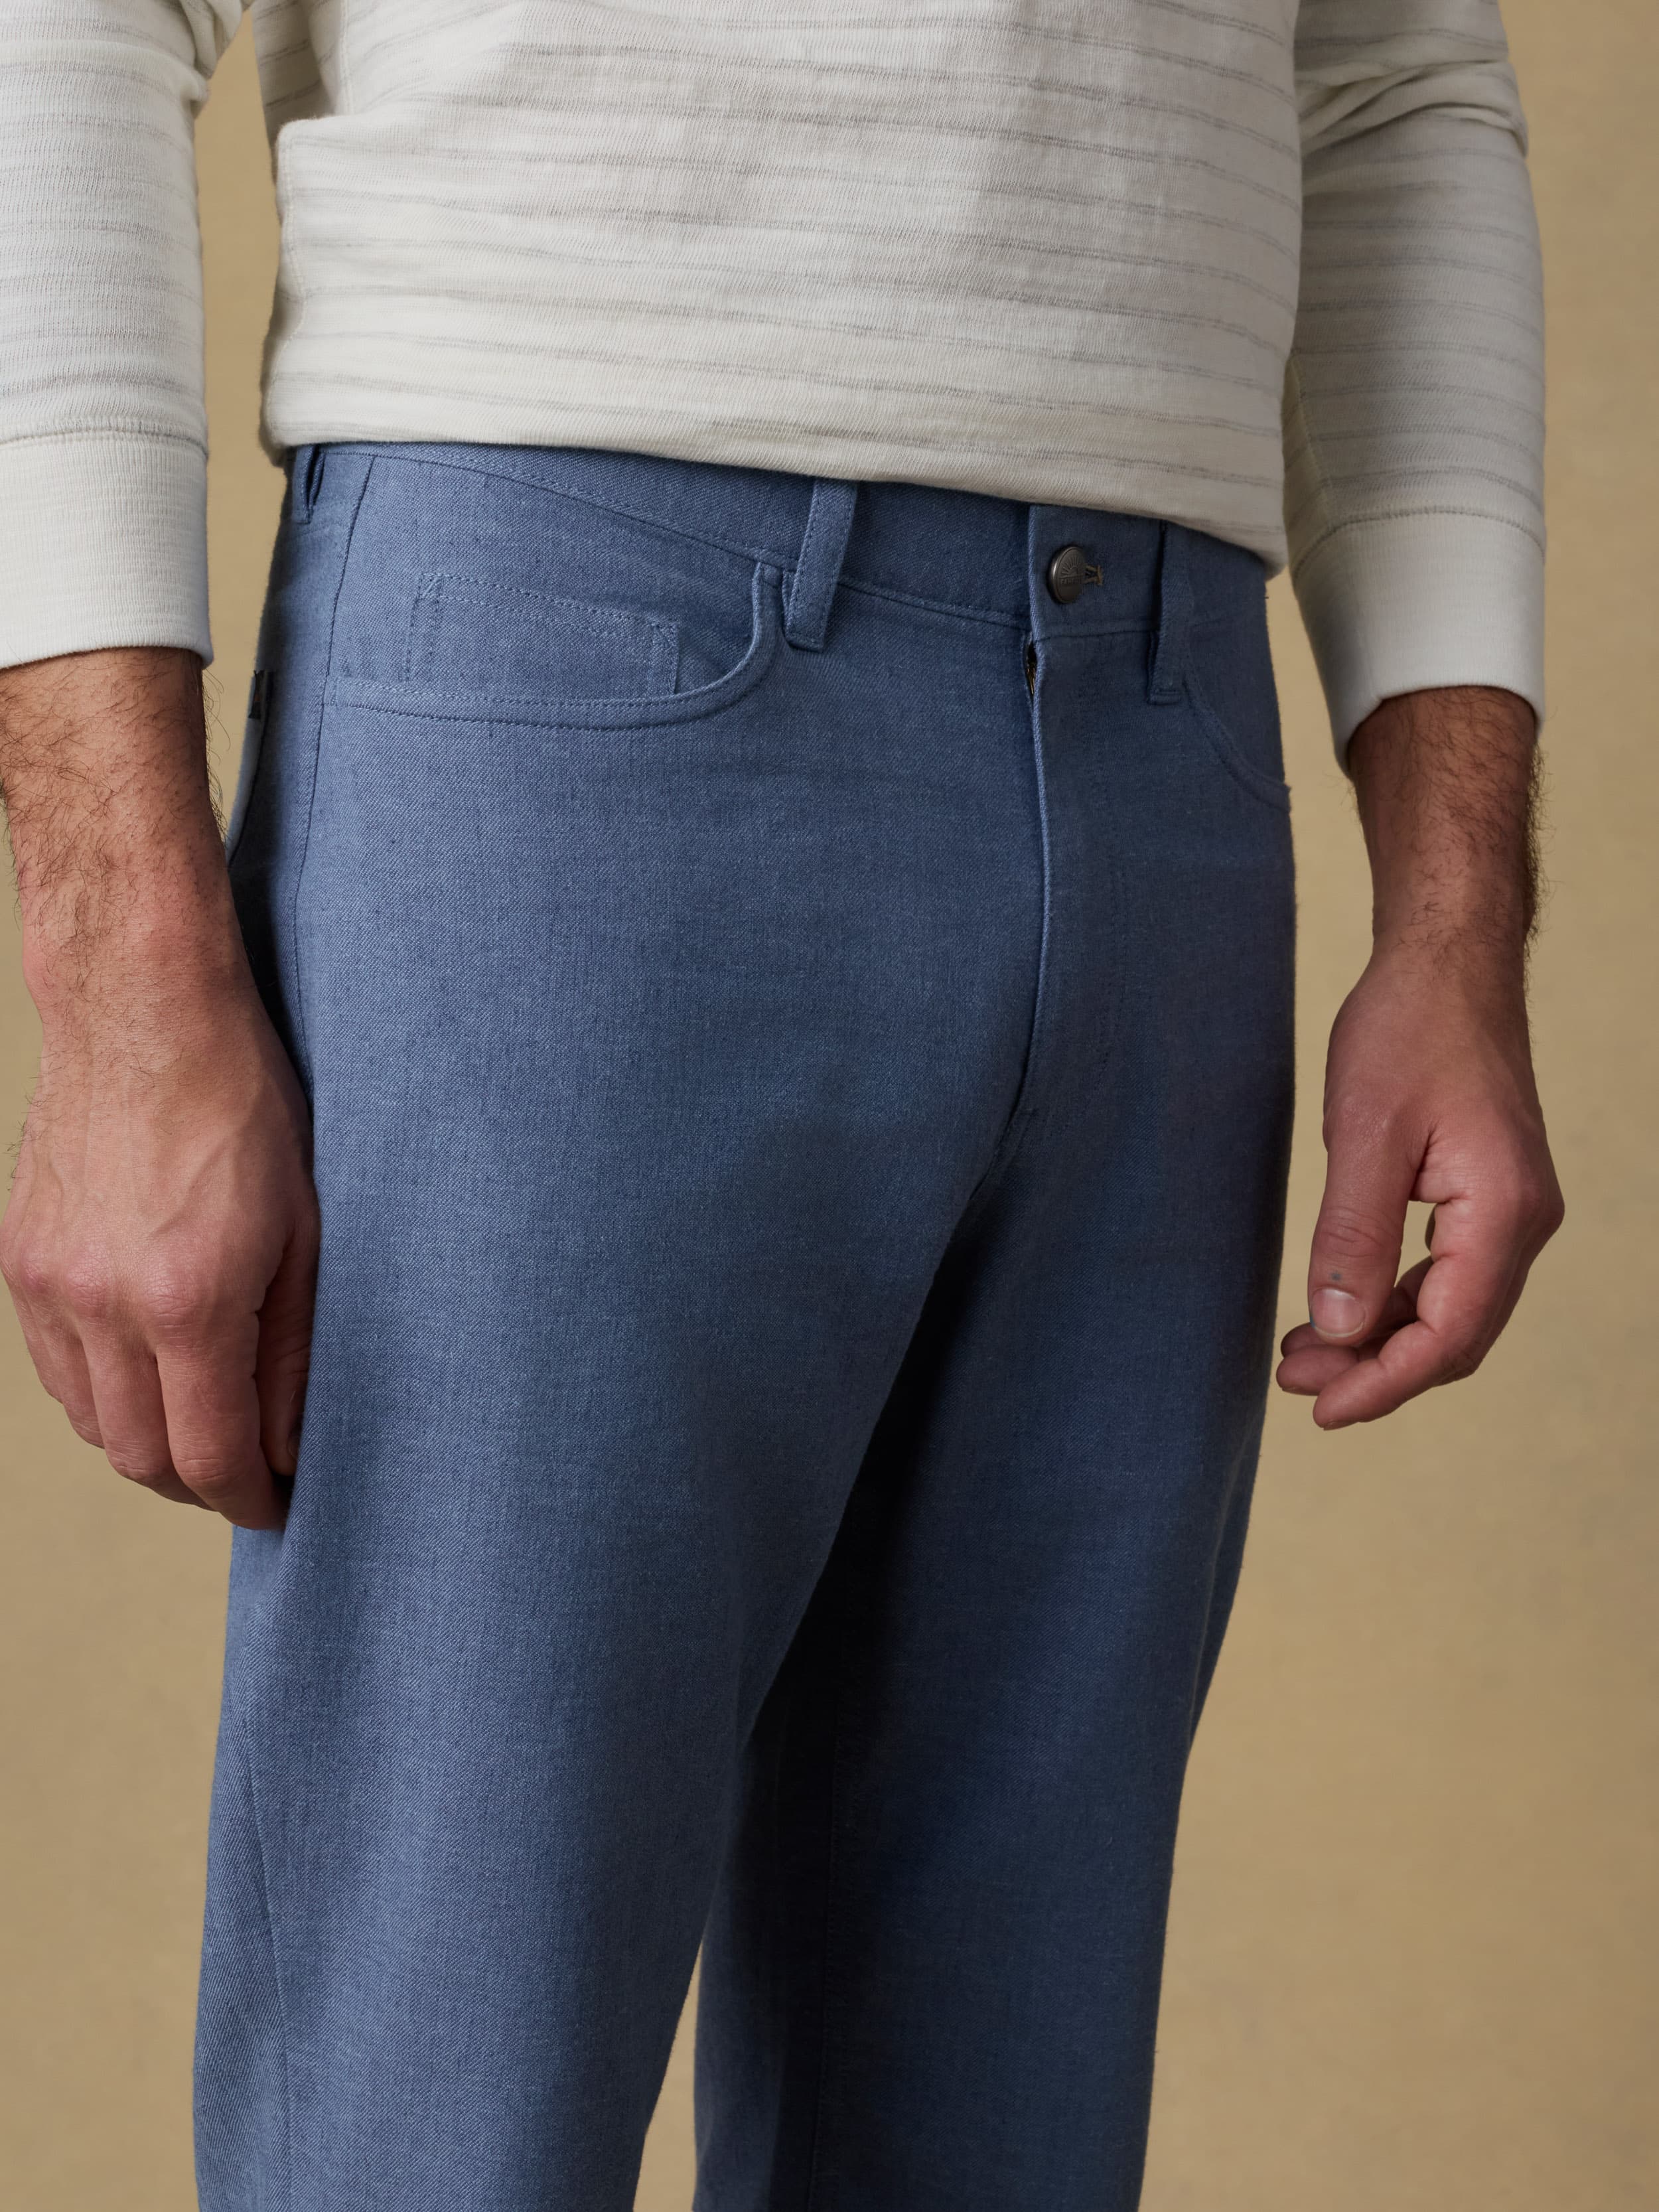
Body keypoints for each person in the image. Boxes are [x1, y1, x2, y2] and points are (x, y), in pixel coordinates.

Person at [0, 2, 1563, 2206]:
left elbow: (1388, 76)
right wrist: (120, 975)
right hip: (570, 671)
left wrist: (1453, 911)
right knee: (446, 2114)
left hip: (1166, 732)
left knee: (985, 2135)